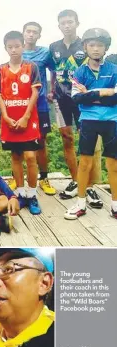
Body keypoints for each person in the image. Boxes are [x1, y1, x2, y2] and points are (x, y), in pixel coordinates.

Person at [50, 10, 102, 205]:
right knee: (67, 138)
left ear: (77, 23)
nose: (67, 25)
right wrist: (51, 88)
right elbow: (52, 70)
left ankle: (88, 186)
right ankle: (74, 180)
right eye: (63, 23)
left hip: (81, 99)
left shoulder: (85, 45)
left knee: (86, 141)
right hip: (60, 98)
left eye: (70, 22)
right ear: (59, 26)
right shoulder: (54, 47)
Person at [65, 29, 117, 220]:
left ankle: (115, 206)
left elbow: (116, 98)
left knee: (113, 164)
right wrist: (105, 92)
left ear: (106, 48)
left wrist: (91, 94)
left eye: (100, 45)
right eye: (92, 45)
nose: (96, 49)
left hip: (112, 121)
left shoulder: (114, 69)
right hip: (88, 121)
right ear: (85, 47)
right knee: (85, 163)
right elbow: (77, 98)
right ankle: (80, 204)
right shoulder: (79, 71)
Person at [0, 31, 42, 215]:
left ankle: (32, 194)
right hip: (9, 120)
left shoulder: (31, 67)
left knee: (30, 156)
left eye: (17, 46)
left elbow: (35, 93)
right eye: (10, 47)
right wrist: (5, 117)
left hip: (28, 120)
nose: (14, 50)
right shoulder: (1, 70)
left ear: (22, 46)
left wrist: (26, 117)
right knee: (15, 156)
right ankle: (20, 193)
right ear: (6, 48)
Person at [22, 22, 56, 195]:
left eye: (34, 32)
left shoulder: (45, 53)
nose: (31, 34)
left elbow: (54, 70)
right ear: (23, 33)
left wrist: (53, 89)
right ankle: (17, 176)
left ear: (39, 35)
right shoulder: (17, 51)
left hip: (41, 103)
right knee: (18, 142)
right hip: (20, 104)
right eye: (28, 31)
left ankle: (44, 177)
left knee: (41, 142)